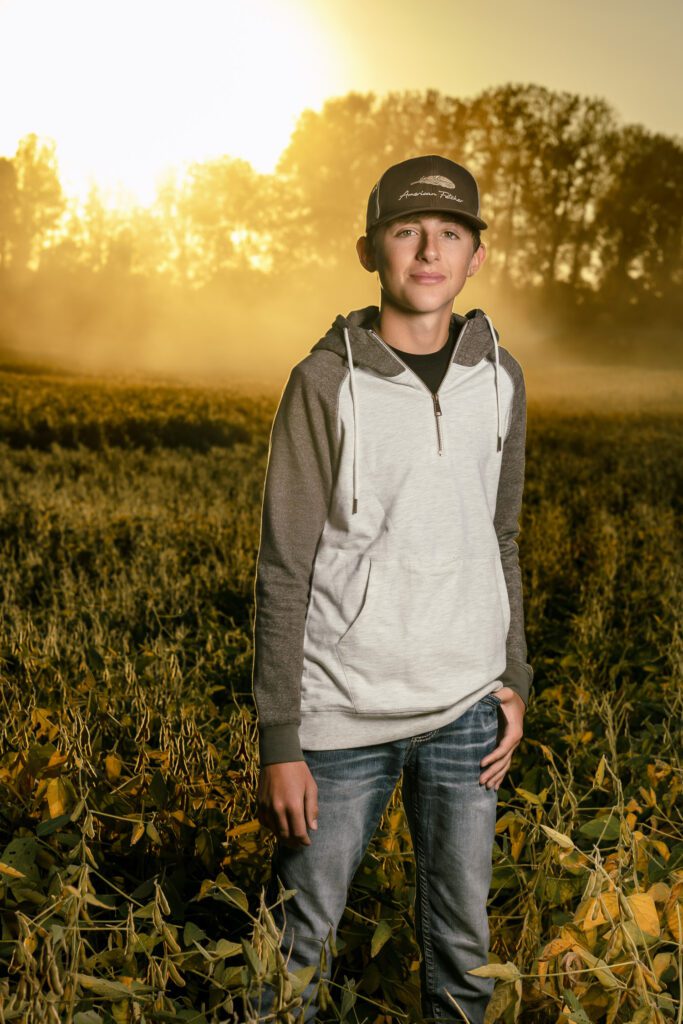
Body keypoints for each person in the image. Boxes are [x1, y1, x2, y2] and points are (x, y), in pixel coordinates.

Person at [251, 154, 533, 1024]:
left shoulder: (502, 377)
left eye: (450, 233)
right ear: (370, 247)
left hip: (465, 715)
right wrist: (278, 738)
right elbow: (282, 564)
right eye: (407, 231)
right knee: (295, 957)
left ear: (475, 256)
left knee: (460, 953)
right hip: (339, 725)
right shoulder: (323, 382)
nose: (427, 251)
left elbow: (501, 536)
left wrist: (513, 676)